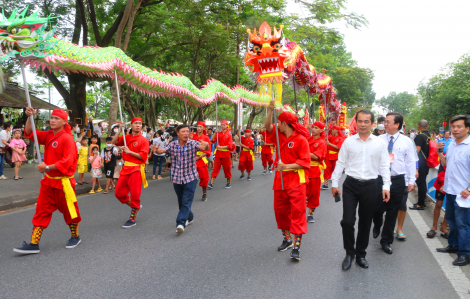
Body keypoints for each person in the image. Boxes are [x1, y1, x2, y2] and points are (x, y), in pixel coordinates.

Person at [13, 108, 82, 254]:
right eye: (51, 117)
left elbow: (68, 161)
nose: (52, 120)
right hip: (49, 182)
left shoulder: (68, 138)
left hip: (64, 183)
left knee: (70, 212)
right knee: (41, 211)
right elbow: (31, 133)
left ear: (64, 122)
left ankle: (75, 236)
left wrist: (47, 167)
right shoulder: (49, 134)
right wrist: (29, 117)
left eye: (56, 118)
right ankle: (33, 244)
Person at [331, 109, 390, 270]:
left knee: (365, 221)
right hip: (351, 184)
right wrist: (334, 183)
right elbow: (340, 163)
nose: (362, 124)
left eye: (366, 121)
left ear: (372, 124)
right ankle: (349, 253)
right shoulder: (348, 142)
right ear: (355, 122)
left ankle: (361, 254)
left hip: (371, 185)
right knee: (347, 221)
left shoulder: (379, 143)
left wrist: (386, 186)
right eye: (360, 121)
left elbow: (385, 166)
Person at [263, 101, 311, 261]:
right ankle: (287, 239)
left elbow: (305, 162)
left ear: (284, 123)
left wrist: (287, 166)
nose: (277, 125)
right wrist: (270, 110)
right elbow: (267, 126)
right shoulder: (279, 136)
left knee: (297, 214)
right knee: (281, 212)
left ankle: (296, 248)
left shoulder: (301, 140)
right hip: (280, 181)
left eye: (279, 123)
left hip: (296, 181)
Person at [371, 112, 416, 254]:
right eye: (385, 121)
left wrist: (411, 180)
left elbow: (410, 162)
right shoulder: (377, 140)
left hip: (397, 180)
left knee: (392, 211)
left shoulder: (407, 141)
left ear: (397, 124)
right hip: (380, 179)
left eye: (388, 121)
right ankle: (377, 224)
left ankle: (386, 241)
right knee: (377, 209)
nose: (385, 123)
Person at [154, 124, 209, 234]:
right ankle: (190, 216)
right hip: (176, 177)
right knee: (181, 200)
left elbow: (204, 147)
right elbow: (162, 151)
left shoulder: (193, 143)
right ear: (177, 133)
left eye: (187, 131)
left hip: (191, 177)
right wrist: (156, 150)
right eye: (183, 131)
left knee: (186, 199)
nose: (185, 133)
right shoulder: (172, 144)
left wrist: (206, 145)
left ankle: (181, 222)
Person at [436, 115, 470, 266]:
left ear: (467, 128)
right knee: (451, 221)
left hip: (463, 194)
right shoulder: (451, 145)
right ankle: (454, 245)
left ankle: (465, 253)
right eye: (453, 127)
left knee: (463, 224)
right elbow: (447, 164)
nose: (455, 129)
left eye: (459, 126)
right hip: (450, 190)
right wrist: (438, 153)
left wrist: (469, 189)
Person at [111, 118, 149, 228]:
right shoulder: (126, 137)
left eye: (140, 124)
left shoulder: (144, 140)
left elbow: (143, 157)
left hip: (136, 169)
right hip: (125, 168)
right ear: (131, 125)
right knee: (119, 193)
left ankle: (132, 218)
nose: (138, 125)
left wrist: (129, 151)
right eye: (135, 123)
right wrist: (120, 129)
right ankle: (135, 206)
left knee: (135, 194)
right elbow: (113, 142)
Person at [306, 121, 327, 223]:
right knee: (301, 192)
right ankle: (300, 211)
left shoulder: (322, 142)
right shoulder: (308, 139)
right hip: (304, 169)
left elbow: (316, 156)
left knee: (313, 194)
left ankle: (310, 213)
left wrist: (303, 151)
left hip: (314, 170)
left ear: (321, 130)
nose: (313, 129)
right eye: (313, 127)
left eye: (316, 128)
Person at [410, 120, 431, 210]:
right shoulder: (429, 136)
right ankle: (422, 202)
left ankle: (420, 204)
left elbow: (417, 150)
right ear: (427, 127)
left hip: (420, 162)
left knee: (420, 183)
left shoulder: (419, 136)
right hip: (427, 161)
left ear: (418, 126)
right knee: (423, 182)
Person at [209, 120, 233, 189]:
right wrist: (214, 133)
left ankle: (228, 183)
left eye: (224, 125)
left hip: (226, 154)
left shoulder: (229, 135)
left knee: (227, 169)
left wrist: (220, 147)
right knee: (215, 168)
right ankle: (211, 183)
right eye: (221, 125)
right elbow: (211, 140)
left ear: (227, 126)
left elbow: (229, 146)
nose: (222, 126)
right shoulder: (218, 134)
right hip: (218, 154)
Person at [427, 164, 448, 238]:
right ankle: (434, 227)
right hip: (441, 183)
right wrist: (443, 183)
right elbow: (441, 171)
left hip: (453, 185)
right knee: (438, 204)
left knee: (449, 206)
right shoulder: (445, 155)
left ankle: (444, 227)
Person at [192, 122, 211, 201]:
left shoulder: (206, 138)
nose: (198, 128)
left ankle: (204, 194)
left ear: (203, 128)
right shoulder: (192, 136)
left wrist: (199, 157)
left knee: (203, 177)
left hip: (201, 160)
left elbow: (208, 151)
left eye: (200, 126)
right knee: (191, 178)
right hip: (192, 159)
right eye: (197, 126)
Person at [322, 125, 344, 190]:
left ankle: (335, 184)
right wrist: (325, 130)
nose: (332, 130)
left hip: (335, 156)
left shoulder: (340, 138)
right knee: (326, 170)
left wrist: (330, 144)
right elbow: (324, 137)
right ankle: (326, 185)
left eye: (333, 129)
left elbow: (338, 147)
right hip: (328, 156)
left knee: (335, 171)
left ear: (337, 130)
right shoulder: (330, 137)